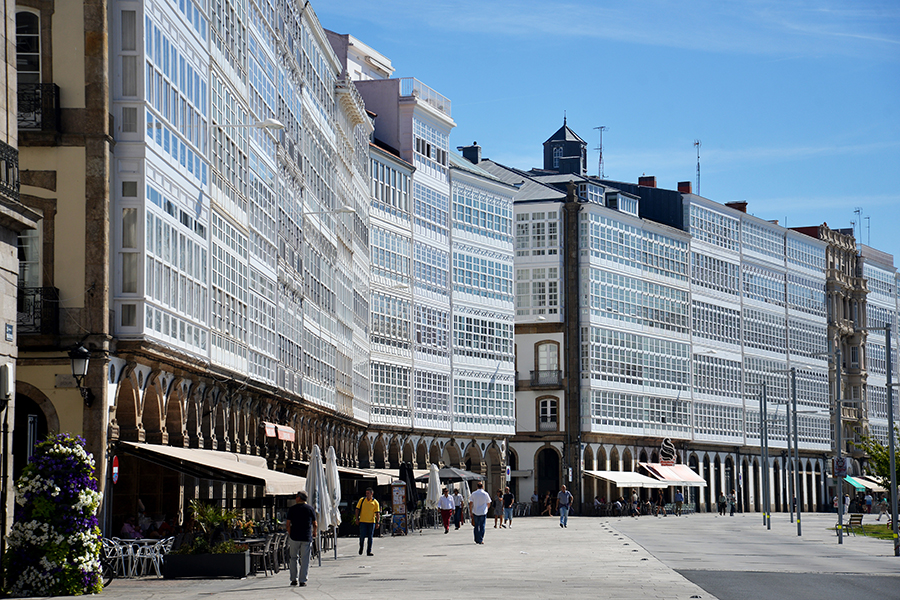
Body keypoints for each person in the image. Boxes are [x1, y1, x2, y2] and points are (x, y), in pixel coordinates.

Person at [286, 490, 317, 587]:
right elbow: (315, 524)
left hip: (294, 537)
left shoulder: (292, 509)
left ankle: (293, 579)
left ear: (299, 498)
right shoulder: (310, 509)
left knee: (293, 558)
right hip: (306, 537)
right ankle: (303, 580)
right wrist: (314, 532)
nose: (295, 499)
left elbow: (287, 524)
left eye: (296, 497)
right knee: (305, 559)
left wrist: (290, 533)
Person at [355, 487, 380, 557]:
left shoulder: (375, 502)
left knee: (370, 537)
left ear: (372, 494)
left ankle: (369, 551)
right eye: (366, 493)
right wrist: (357, 518)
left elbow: (377, 513)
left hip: (371, 522)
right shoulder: (362, 500)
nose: (367, 495)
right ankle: (361, 547)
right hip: (363, 521)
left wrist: (378, 522)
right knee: (362, 536)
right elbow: (357, 509)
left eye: (368, 493)